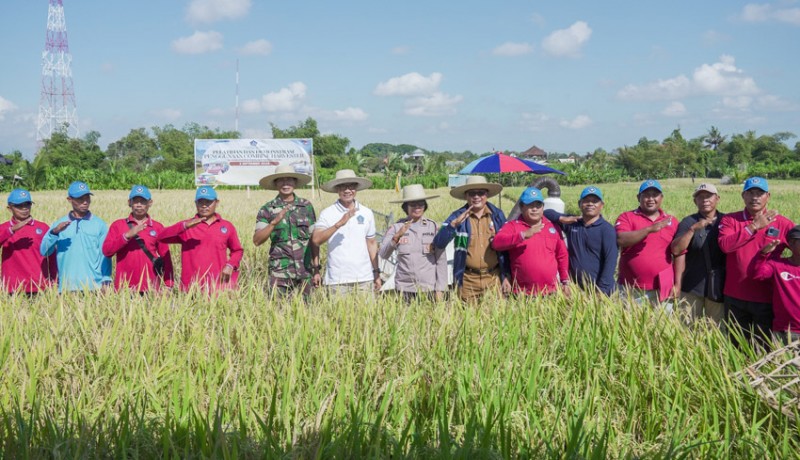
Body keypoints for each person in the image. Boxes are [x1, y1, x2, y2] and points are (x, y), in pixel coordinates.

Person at [719, 176, 794, 348]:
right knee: (736, 346)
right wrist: (753, 226)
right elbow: (725, 246)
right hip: (735, 296)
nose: (755, 197)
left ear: (768, 196)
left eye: (759, 193)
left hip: (766, 297)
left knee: (763, 347)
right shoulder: (730, 220)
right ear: (743, 196)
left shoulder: (782, 223)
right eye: (750, 193)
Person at [433, 175, 511, 302]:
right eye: (472, 193)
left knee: (495, 319)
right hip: (467, 281)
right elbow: (439, 243)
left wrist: (506, 276)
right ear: (466, 196)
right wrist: (453, 225)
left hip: (493, 278)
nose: (476, 197)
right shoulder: (457, 216)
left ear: (487, 195)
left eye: (480, 193)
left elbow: (506, 249)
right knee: (469, 319)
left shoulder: (497, 215)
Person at [158, 186, 243, 292]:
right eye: (200, 202)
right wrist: (184, 226)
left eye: (208, 202)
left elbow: (237, 250)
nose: (204, 205)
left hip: (218, 286)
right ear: (195, 203)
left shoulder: (227, 226)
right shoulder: (187, 226)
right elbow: (160, 237)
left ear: (216, 202)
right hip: (191, 288)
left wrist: (230, 265)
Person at [311, 169, 381, 294]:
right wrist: (339, 224)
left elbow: (371, 243)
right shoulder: (328, 213)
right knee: (337, 314)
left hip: (364, 278)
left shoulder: (366, 212)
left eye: (351, 186)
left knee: (366, 313)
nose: (347, 190)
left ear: (356, 189)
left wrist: (376, 272)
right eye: (343, 187)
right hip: (337, 280)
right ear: (337, 189)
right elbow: (316, 240)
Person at [254, 165, 320, 297]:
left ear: (295, 182)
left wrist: (316, 268)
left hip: (305, 271)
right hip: (280, 272)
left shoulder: (306, 206)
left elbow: (314, 240)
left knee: (308, 313)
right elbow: (257, 240)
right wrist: (273, 223)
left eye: (289, 180)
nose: (285, 184)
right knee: (279, 313)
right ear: (276, 183)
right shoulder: (267, 209)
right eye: (281, 180)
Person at [492, 187, 568, 295]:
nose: (534, 209)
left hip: (551, 293)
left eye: (538, 205)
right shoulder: (512, 226)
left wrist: (565, 281)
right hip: (522, 294)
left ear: (543, 207)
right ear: (522, 207)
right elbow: (497, 243)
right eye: (530, 205)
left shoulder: (553, 227)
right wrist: (523, 235)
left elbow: (562, 255)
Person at [544, 185, 618, 295]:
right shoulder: (573, 223)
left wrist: (601, 290)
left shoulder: (607, 230)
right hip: (576, 289)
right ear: (580, 204)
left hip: (599, 289)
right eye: (586, 201)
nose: (590, 204)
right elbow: (547, 212)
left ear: (601, 205)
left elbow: (610, 261)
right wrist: (562, 218)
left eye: (595, 201)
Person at [379, 184, 448, 301]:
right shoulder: (396, 227)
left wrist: (440, 288)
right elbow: (383, 254)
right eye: (413, 204)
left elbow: (441, 260)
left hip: (429, 288)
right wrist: (396, 237)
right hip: (404, 289)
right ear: (406, 207)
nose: (417, 207)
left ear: (425, 206)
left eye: (420, 203)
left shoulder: (433, 227)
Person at [615, 179, 678, 305]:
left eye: (655, 195)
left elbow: (679, 253)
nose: (650, 199)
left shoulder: (671, 221)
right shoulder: (627, 217)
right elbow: (621, 239)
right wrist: (649, 229)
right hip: (631, 287)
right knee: (629, 323)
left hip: (663, 287)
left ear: (661, 197)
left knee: (662, 324)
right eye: (646, 195)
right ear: (638, 197)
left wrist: (678, 283)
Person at [40, 181, 112, 292]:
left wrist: (106, 280)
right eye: (80, 199)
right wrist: (54, 233)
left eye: (87, 198)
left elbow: (105, 255)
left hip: (94, 287)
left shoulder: (99, 224)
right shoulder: (58, 225)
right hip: (66, 288)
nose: (85, 202)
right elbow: (44, 251)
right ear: (70, 200)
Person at [671, 183, 726, 325]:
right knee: (686, 328)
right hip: (692, 287)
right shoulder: (688, 222)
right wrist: (692, 230)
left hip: (718, 287)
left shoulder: (726, 221)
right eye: (700, 197)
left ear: (717, 198)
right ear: (695, 201)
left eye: (708, 196)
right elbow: (676, 250)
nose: (705, 200)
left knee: (715, 330)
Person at [102, 185, 174, 292]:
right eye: (135, 201)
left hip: (151, 288)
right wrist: (126, 236)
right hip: (124, 289)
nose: (139, 205)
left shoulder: (158, 227)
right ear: (129, 203)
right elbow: (107, 251)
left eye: (143, 201)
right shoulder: (117, 225)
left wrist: (169, 285)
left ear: (150, 203)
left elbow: (166, 257)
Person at [749, 225, 800, 345]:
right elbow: (758, 275)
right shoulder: (777, 265)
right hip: (784, 331)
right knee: (780, 364)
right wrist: (763, 254)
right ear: (791, 244)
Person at [0, 189, 57, 294]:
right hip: (12, 289)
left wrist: (54, 283)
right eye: (19, 205)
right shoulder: (4, 228)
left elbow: (52, 257)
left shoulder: (43, 227)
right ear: (9, 208)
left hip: (39, 288)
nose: (24, 208)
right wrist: (11, 230)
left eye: (27, 204)